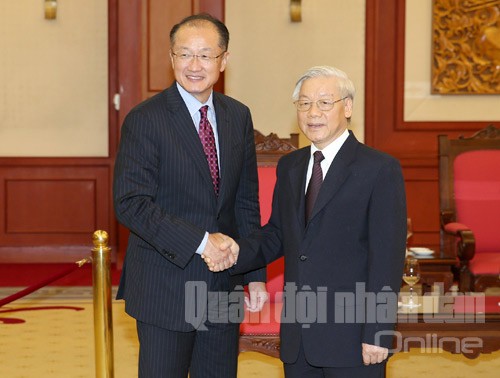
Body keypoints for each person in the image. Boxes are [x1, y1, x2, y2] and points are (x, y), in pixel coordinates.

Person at [209, 65, 407, 377]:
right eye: (304, 103)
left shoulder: (379, 169)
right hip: (299, 336)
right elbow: (277, 234)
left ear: (348, 107)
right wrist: (235, 251)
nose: (312, 112)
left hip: (353, 335)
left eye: (324, 102)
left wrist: (378, 331)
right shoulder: (291, 166)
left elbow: (387, 258)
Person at [113, 13, 267, 378]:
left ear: (223, 60)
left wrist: (254, 272)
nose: (194, 65)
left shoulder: (237, 116)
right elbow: (131, 203)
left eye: (205, 55)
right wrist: (201, 242)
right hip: (165, 284)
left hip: (223, 286)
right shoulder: (145, 119)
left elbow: (246, 199)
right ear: (171, 59)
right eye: (184, 54)